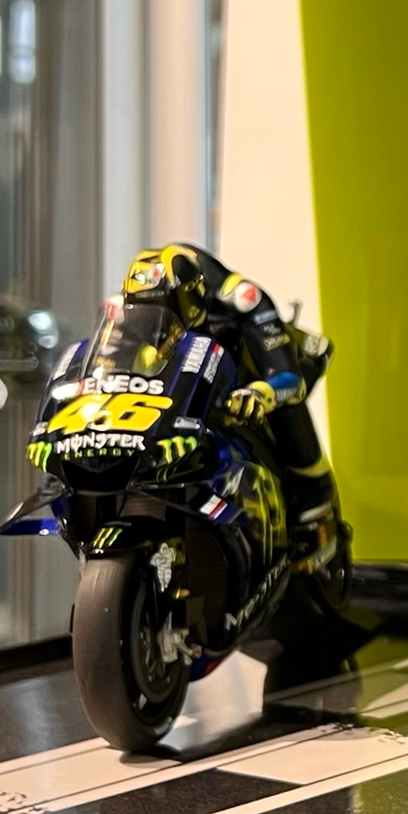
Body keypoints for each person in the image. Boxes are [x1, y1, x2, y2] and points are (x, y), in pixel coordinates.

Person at [119, 244, 342, 571]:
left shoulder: (242, 299)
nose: (157, 327)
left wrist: (262, 393)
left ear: (190, 297)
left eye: (166, 311)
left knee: (285, 396)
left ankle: (315, 502)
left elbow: (289, 377)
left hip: (255, 375)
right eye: (146, 314)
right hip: (195, 390)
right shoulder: (128, 311)